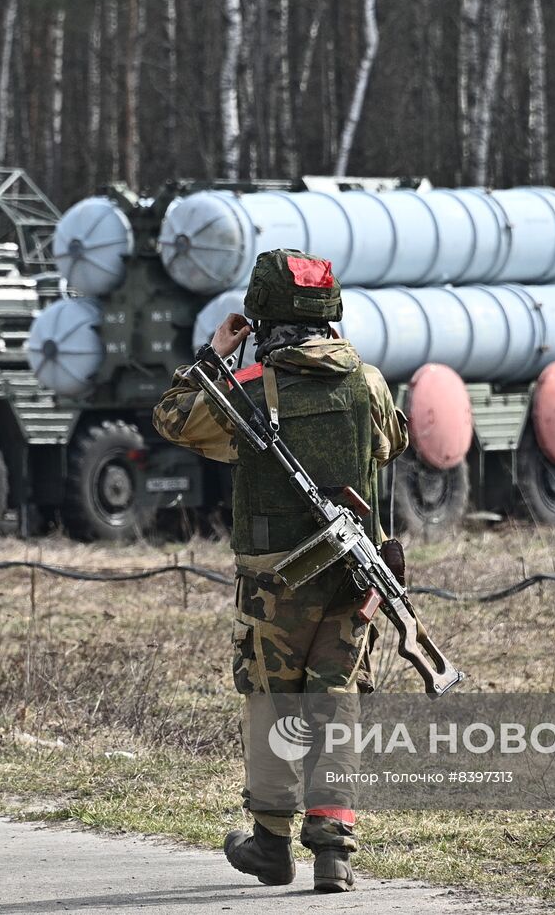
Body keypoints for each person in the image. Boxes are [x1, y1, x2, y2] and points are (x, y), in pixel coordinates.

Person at [152, 249, 409, 892]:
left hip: (275, 585)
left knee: (271, 704)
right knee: (336, 702)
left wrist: (214, 357)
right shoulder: (369, 383)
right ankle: (334, 851)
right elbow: (393, 440)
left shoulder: (246, 393)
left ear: (261, 317)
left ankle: (270, 843)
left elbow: (172, 418)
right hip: (354, 579)